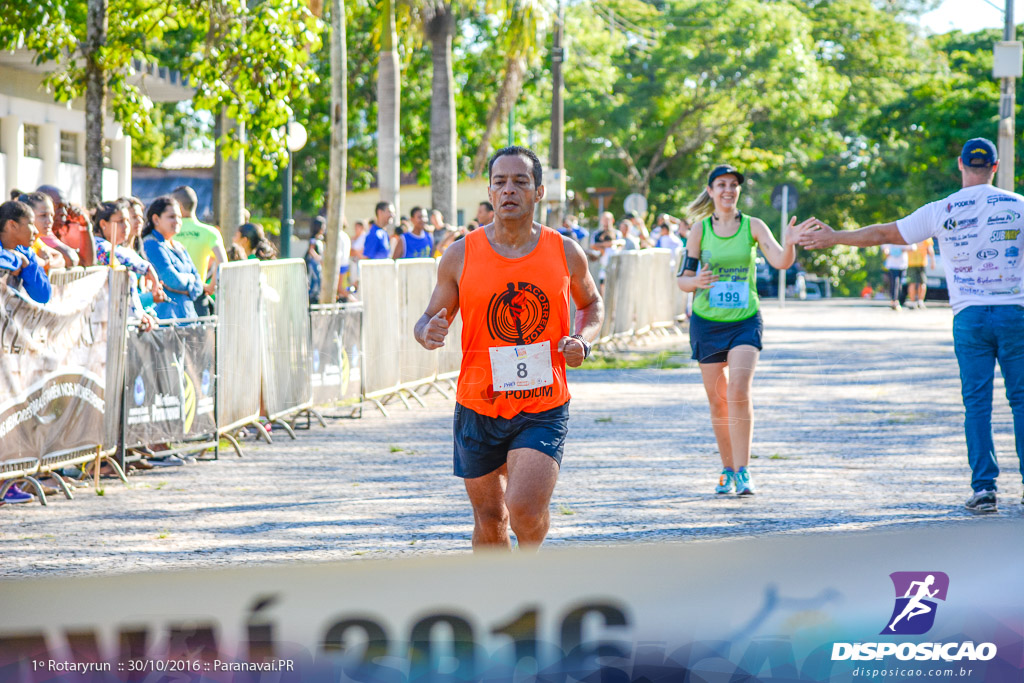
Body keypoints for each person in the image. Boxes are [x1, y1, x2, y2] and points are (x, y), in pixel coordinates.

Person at [798, 138, 1024, 513]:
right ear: (996, 166)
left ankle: (984, 489)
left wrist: (834, 237)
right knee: (1021, 401)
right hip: (1015, 313)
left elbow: (884, 234)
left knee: (977, 404)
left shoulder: (943, 209)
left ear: (961, 164)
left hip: (969, 317)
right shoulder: (1018, 206)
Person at [414, 145, 603, 551]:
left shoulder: (565, 251)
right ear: (490, 191)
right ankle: (495, 604)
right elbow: (427, 318)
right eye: (500, 182)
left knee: (525, 511)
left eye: (520, 182)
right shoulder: (460, 255)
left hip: (542, 404)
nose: (509, 190)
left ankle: (529, 580)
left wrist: (583, 341)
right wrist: (427, 331)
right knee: (489, 520)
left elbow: (592, 304)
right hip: (478, 403)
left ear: (538, 192)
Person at [677, 164, 811, 496]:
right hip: (707, 323)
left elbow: (781, 261)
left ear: (739, 191)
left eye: (733, 185)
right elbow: (683, 280)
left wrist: (791, 243)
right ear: (710, 191)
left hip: (744, 320)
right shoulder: (699, 230)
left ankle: (744, 470)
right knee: (717, 400)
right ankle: (726, 469)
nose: (728, 190)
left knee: (738, 390)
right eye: (721, 184)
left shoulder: (753, 226)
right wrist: (698, 281)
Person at [92, 200, 162, 331]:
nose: (126, 226)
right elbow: (117, 255)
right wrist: (147, 269)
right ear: (103, 224)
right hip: (101, 325)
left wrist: (141, 314)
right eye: (120, 221)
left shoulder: (120, 249)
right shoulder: (98, 245)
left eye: (127, 221)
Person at [141, 196, 203, 320]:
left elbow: (199, 283)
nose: (177, 221)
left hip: (187, 317)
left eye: (179, 217)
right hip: (166, 319)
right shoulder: (151, 245)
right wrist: (190, 281)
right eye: (171, 217)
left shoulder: (179, 246)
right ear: (156, 219)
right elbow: (172, 280)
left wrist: (188, 289)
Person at [171, 186, 226, 316]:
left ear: (179, 205)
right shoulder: (210, 232)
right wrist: (211, 285)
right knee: (200, 335)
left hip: (171, 295)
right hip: (197, 292)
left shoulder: (167, 231)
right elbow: (222, 261)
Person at [0, 199, 51, 304]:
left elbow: (43, 295)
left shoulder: (25, 252)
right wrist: (16, 259)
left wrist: (26, 264)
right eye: (31, 224)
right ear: (12, 225)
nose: (36, 231)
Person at [37, 185, 96, 267]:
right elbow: (71, 258)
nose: (64, 212)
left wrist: (84, 225)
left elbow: (87, 263)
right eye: (58, 206)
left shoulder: (55, 232)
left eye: (65, 207)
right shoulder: (41, 232)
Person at [905, 237, 936, 309]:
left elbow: (930, 249)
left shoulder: (912, 234)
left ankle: (917, 301)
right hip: (915, 263)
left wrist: (932, 261)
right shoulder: (924, 235)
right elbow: (930, 249)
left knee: (918, 282)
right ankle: (917, 301)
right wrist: (932, 261)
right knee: (917, 282)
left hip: (918, 263)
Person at [882, 242, 909, 310]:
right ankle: (894, 300)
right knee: (894, 282)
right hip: (892, 265)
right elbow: (885, 249)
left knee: (900, 283)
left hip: (902, 264)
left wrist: (901, 250)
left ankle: (899, 300)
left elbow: (912, 247)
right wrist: (889, 252)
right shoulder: (888, 237)